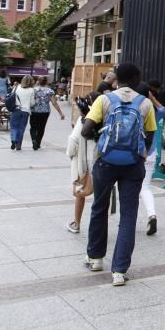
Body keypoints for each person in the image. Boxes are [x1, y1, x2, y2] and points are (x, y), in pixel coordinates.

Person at [80, 63, 157, 286]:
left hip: (105, 162)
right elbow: (150, 135)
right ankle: (120, 271)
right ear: (135, 78)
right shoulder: (144, 103)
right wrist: (140, 155)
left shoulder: (104, 100)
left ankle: (95, 258)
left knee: (99, 208)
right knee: (129, 215)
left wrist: (102, 136)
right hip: (133, 164)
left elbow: (85, 131)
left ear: (117, 79)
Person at [65, 97, 95, 234]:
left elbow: (73, 139)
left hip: (84, 163)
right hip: (102, 162)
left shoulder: (83, 120)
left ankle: (76, 223)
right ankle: (100, 225)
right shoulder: (104, 117)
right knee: (102, 196)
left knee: (80, 193)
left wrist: (70, 154)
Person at [134, 82, 161, 236]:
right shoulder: (154, 109)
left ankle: (128, 218)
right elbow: (164, 109)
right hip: (150, 152)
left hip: (135, 153)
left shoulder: (135, 107)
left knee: (129, 186)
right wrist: (152, 98)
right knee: (145, 187)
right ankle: (152, 214)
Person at [29, 77, 64, 151]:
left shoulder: (33, 90)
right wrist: (60, 113)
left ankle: (34, 140)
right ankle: (38, 143)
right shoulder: (49, 91)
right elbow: (54, 103)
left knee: (33, 127)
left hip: (34, 111)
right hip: (45, 111)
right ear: (46, 82)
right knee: (41, 128)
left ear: (38, 81)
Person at [8, 76, 35, 150]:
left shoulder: (17, 87)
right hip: (25, 111)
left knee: (13, 127)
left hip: (16, 109)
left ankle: (13, 140)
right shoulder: (31, 90)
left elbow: (11, 97)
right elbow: (32, 103)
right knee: (21, 128)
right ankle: (18, 145)